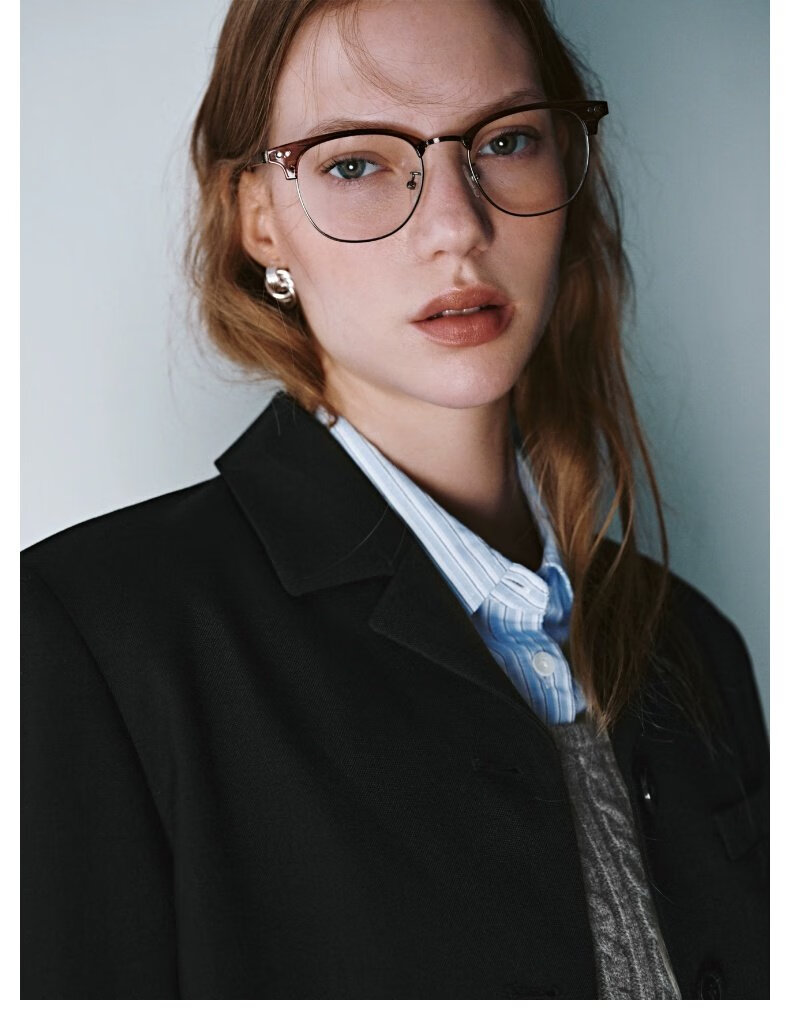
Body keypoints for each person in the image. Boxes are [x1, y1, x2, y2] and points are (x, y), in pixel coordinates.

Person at [20, 0, 768, 1001]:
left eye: (505, 141)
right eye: (356, 163)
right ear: (259, 219)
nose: (458, 227)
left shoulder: (696, 646)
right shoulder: (94, 634)